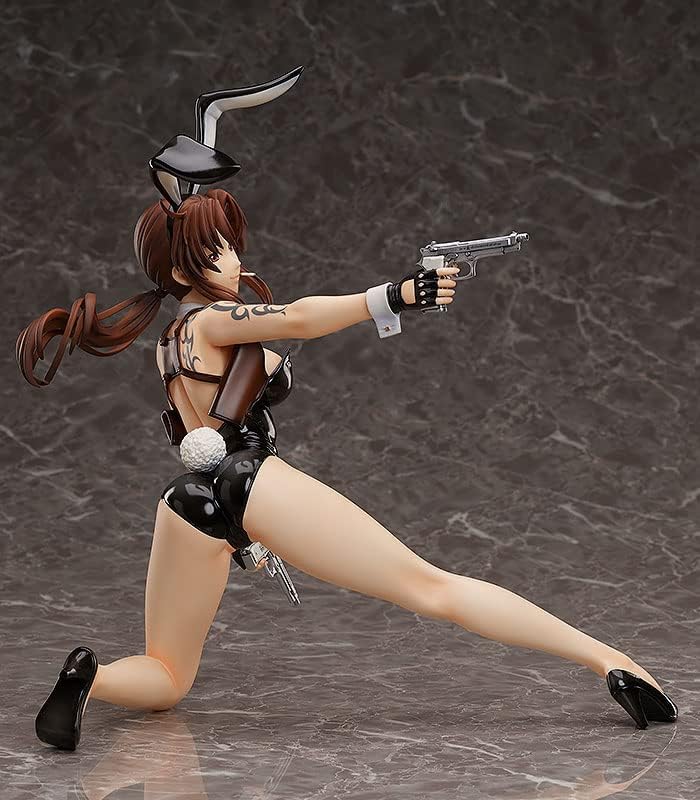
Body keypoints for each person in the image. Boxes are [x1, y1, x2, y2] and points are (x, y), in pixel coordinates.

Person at [16, 70, 677, 753]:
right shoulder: (213, 322)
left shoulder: (167, 346)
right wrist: (394, 296)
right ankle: (610, 660)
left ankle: (89, 677)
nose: (233, 258)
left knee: (167, 675)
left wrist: (242, 535)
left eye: (231, 242)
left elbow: (196, 439)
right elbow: (299, 318)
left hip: (192, 500)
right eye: (214, 249)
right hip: (251, 479)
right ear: (183, 270)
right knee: (432, 588)